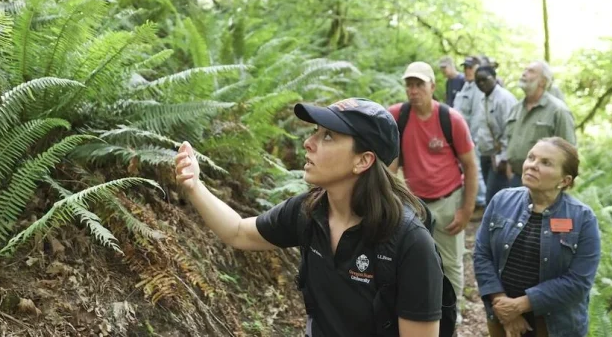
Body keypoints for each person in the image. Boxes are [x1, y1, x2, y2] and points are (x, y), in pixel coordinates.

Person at [174, 98, 445, 337]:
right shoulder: (310, 211)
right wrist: (195, 186)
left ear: (363, 161)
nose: (308, 143)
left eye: (328, 136)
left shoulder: (410, 243)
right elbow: (237, 232)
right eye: (315, 132)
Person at [473, 137, 600, 337]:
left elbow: (579, 282)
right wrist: (502, 304)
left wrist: (520, 305)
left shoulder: (583, 218)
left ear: (564, 180)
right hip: (503, 317)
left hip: (555, 327)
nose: (533, 165)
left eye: (545, 163)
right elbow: (482, 253)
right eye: (531, 158)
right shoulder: (501, 200)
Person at [388, 62, 479, 306]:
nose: (414, 90)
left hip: (448, 199)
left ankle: (453, 313)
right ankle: (419, 310)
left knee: (450, 262)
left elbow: (471, 166)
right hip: (413, 203)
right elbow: (390, 162)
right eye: (409, 85)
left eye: (419, 84)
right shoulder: (398, 116)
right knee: (412, 258)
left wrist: (466, 210)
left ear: (432, 86)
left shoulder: (450, 119)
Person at [504, 61, 576, 187]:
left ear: (543, 81)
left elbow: (569, 152)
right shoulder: (516, 108)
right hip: (516, 177)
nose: (524, 74)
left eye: (530, 71)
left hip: (544, 182)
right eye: (524, 70)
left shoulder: (558, 110)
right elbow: (510, 140)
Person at [474, 65, 517, 203]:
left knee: (494, 198)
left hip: (499, 157)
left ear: (494, 78)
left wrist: (503, 157)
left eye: (484, 79)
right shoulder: (484, 98)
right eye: (477, 81)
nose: (481, 83)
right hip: (485, 155)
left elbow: (511, 130)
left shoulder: (504, 99)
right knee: (492, 195)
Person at [452, 56, 487, 210]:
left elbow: (477, 117)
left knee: (475, 168)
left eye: (470, 67)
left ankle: (480, 202)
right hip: (460, 138)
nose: (467, 70)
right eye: (465, 67)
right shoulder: (466, 86)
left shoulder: (478, 89)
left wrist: (470, 139)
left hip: (471, 138)